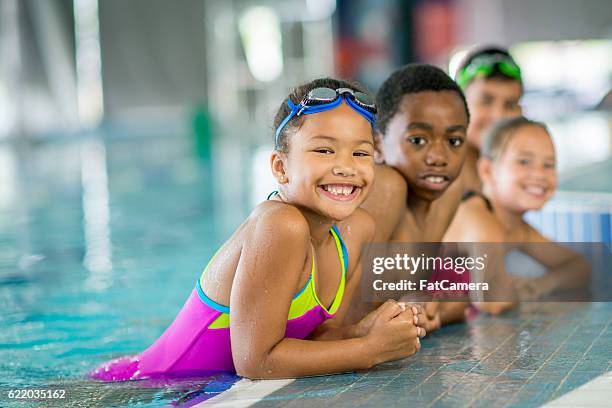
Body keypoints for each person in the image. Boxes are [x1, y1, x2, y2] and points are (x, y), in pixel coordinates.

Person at [90, 78, 425, 381]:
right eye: (324, 149)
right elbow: (255, 362)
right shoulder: (280, 225)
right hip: (145, 387)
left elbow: (316, 341)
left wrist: (365, 331)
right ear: (281, 168)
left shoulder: (358, 231)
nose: (346, 166)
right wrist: (369, 350)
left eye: (360, 153)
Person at [347, 64, 471, 333]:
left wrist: (426, 308)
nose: (438, 157)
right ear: (377, 145)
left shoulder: (448, 190)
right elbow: (349, 321)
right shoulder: (386, 186)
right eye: (417, 140)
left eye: (455, 141)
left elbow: (445, 301)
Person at [444, 117, 589, 314]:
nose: (539, 174)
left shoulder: (517, 229)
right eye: (524, 161)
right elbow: (492, 302)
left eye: (549, 164)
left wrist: (541, 285)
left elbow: (579, 267)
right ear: (488, 170)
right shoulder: (476, 217)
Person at [454, 46, 523, 192]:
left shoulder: (515, 182)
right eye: (485, 101)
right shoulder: (438, 181)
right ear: (457, 104)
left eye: (510, 105)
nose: (498, 116)